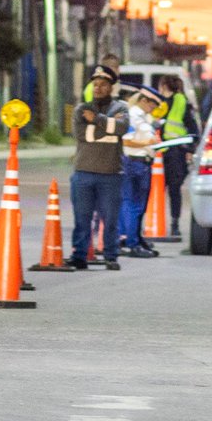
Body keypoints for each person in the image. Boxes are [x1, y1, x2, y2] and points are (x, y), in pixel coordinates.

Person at [69, 64, 130, 271]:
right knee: (82, 218)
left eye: (103, 84)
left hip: (111, 174)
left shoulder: (120, 108)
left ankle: (111, 256)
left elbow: (121, 129)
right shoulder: (81, 109)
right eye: (95, 84)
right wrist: (108, 127)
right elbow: (82, 136)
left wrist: (96, 121)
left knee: (110, 219)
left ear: (111, 87)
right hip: (83, 172)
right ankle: (79, 255)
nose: (98, 88)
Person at [119, 86, 164, 258]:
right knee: (134, 205)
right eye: (152, 105)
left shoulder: (143, 117)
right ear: (144, 101)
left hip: (142, 163)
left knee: (138, 205)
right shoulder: (133, 117)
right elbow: (127, 141)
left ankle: (135, 238)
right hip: (134, 163)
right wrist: (148, 142)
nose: (153, 109)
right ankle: (132, 243)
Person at [156, 74, 200, 237]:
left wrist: (189, 149)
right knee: (159, 190)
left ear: (164, 85)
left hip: (174, 151)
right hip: (161, 151)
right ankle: (158, 222)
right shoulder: (158, 102)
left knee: (173, 189)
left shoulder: (180, 102)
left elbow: (192, 128)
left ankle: (174, 223)